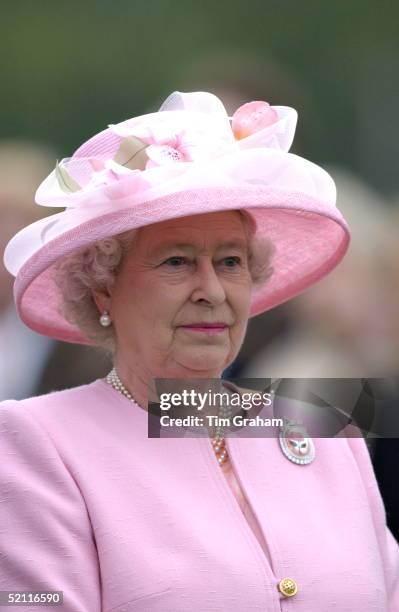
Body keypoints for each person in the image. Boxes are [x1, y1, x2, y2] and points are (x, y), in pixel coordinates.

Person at [0, 91, 398, 611]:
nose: (212, 288)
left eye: (231, 262)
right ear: (103, 289)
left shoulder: (326, 420)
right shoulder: (38, 440)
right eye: (176, 262)